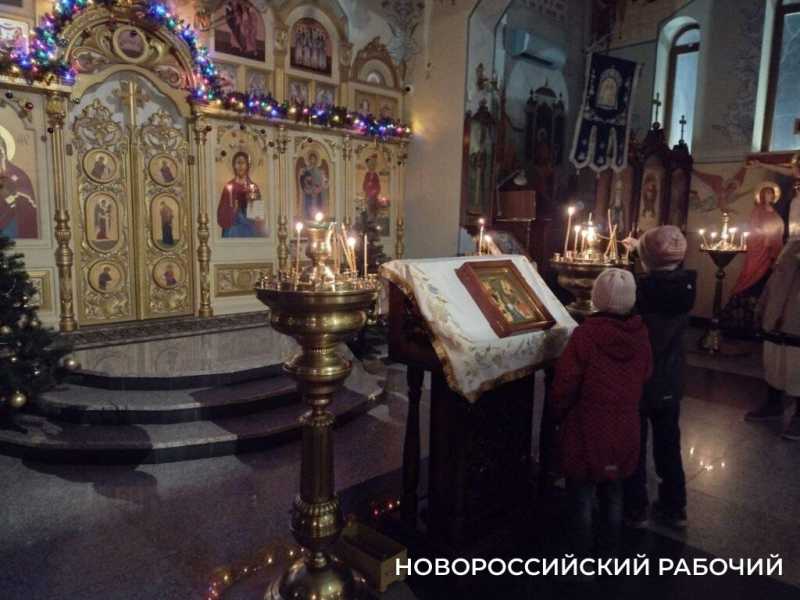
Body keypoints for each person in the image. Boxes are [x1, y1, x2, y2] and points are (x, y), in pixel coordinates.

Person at [551, 268, 652, 561]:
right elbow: (646, 373)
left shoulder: (586, 335)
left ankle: (580, 559)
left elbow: (566, 381)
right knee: (614, 490)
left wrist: (558, 411)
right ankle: (609, 552)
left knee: (581, 496)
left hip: (587, 425)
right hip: (625, 425)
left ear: (596, 297)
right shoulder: (641, 333)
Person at [623, 225, 696, 529]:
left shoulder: (642, 291)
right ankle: (674, 505)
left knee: (634, 446)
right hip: (670, 380)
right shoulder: (686, 286)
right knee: (669, 444)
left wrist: (634, 257)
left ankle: (635, 506)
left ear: (645, 259)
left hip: (640, 381)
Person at [745, 224, 800, 440]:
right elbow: (775, 278)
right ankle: (773, 404)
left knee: (798, 368)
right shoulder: (792, 243)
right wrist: (762, 306)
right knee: (774, 362)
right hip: (777, 318)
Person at [216, 151, 262, 238]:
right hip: (232, 230)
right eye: (238, 163)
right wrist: (233, 208)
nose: (240, 166)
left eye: (243, 163)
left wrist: (249, 203)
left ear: (247, 166)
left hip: (249, 230)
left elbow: (258, 216)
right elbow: (221, 214)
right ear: (234, 165)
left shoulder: (253, 187)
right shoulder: (228, 187)